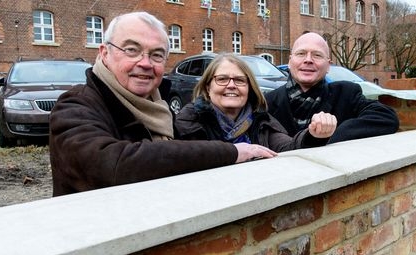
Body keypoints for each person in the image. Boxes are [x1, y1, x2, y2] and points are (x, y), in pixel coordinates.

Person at [49, 12, 275, 196]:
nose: (145, 63)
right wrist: (231, 152)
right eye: (132, 50)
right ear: (104, 53)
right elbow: (110, 165)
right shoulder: (76, 105)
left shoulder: (159, 108)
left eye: (157, 55)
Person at [175, 54, 337, 151]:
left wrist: (313, 135)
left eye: (239, 80)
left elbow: (288, 147)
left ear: (249, 88)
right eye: (222, 79)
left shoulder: (261, 121)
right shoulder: (190, 120)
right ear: (208, 86)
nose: (231, 85)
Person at [265, 32, 399, 145]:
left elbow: (387, 118)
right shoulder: (267, 102)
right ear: (290, 61)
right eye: (301, 53)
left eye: (317, 55)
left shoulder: (346, 94)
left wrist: (336, 133)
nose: (308, 60)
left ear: (328, 65)